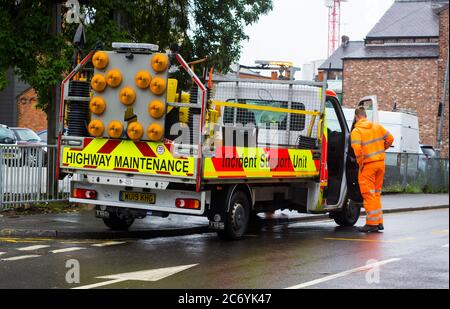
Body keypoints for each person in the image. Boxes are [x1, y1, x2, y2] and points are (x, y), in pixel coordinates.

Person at [351, 107, 394, 233]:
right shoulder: (377, 127)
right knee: (375, 194)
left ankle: (371, 223)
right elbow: (390, 139)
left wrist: (361, 163)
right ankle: (379, 222)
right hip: (380, 164)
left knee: (368, 195)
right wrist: (380, 151)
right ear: (365, 116)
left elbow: (357, 149)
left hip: (368, 166)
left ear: (356, 117)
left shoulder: (357, 131)